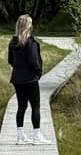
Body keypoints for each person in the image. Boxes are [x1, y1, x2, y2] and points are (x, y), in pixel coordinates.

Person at [8, 15, 51, 145]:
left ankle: (20, 136)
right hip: (30, 79)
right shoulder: (30, 42)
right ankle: (36, 136)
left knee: (21, 106)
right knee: (35, 106)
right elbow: (34, 62)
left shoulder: (13, 42)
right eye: (31, 23)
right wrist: (38, 73)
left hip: (17, 78)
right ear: (28, 26)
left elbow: (10, 60)